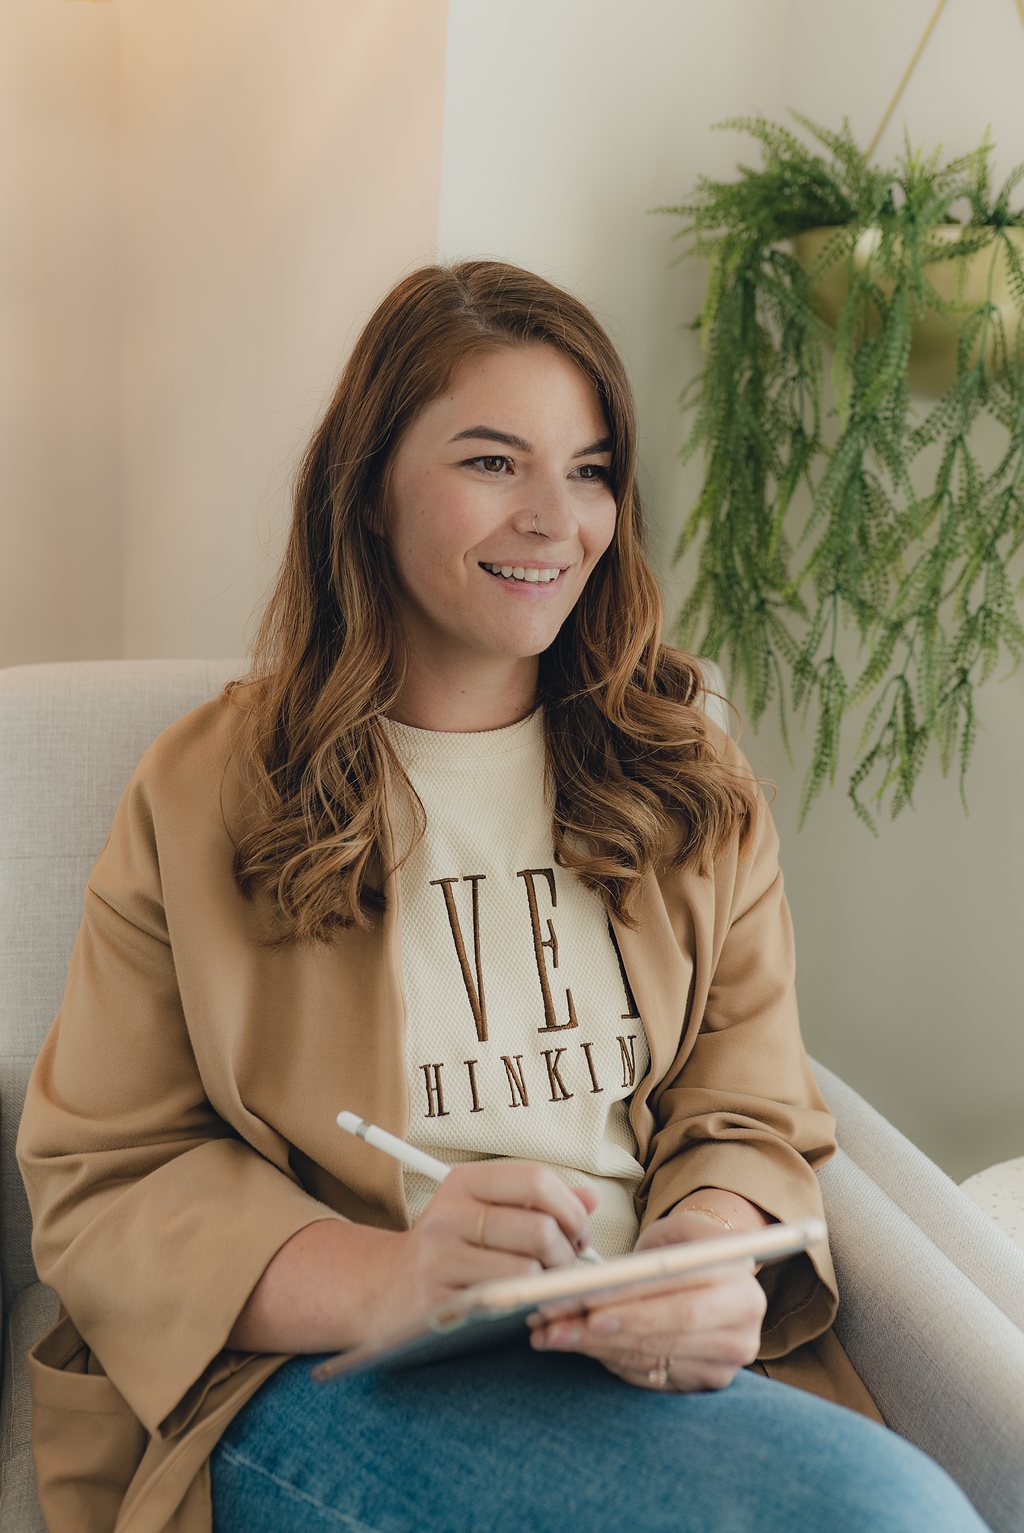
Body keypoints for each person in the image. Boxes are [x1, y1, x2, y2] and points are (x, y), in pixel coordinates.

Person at [17, 262, 987, 1533]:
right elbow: (110, 1172)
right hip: (323, 1377)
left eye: (589, 470)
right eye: (491, 462)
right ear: (366, 489)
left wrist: (705, 1259)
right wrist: (391, 1279)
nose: (555, 519)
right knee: (878, 1514)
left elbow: (749, 1103)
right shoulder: (210, 790)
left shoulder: (684, 776)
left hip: (637, 1371)